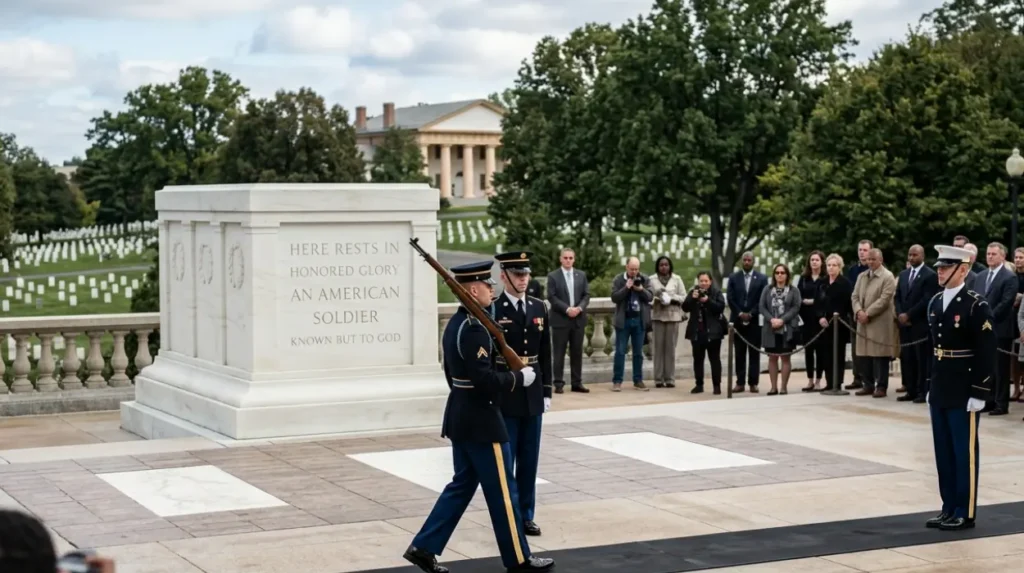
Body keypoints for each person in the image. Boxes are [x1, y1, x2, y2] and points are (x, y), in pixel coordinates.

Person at [403, 260, 554, 573]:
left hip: (462, 417)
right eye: (487, 285)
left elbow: (453, 376)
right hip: (483, 421)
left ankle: (424, 546)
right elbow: (484, 381)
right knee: (505, 493)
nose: (491, 290)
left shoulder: (459, 325)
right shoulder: (473, 329)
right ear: (473, 290)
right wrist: (517, 379)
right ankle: (520, 559)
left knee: (462, 485)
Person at [924, 245, 995, 532]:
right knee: (943, 451)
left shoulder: (976, 305)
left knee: (963, 452)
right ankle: (947, 506)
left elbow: (987, 351)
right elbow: (935, 349)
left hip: (964, 388)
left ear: (962, 270)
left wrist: (979, 392)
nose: (939, 271)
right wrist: (930, 385)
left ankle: (964, 511)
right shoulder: (936, 302)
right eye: (939, 267)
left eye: (946, 267)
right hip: (941, 386)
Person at [493, 250, 553, 537]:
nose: (524, 279)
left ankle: (527, 515)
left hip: (534, 393)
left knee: (529, 460)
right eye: (518, 274)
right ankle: (510, 514)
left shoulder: (539, 307)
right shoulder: (494, 309)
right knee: (508, 459)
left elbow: (547, 352)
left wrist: (548, 390)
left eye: (526, 274)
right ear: (504, 276)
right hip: (509, 391)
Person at [681, 271, 726, 394]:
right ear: (698, 281)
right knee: (698, 359)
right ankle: (699, 384)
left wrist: (707, 300)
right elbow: (685, 307)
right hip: (697, 331)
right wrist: (692, 298)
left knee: (714, 359)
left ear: (710, 281)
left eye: (706, 281)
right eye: (701, 281)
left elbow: (720, 307)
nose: (704, 283)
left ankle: (717, 385)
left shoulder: (716, 292)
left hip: (713, 332)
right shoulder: (693, 292)